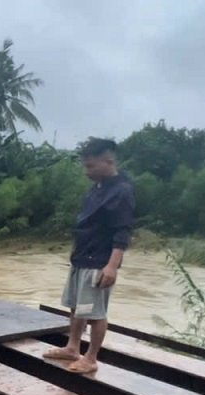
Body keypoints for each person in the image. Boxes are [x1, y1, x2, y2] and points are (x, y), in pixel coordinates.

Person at [43, 138, 135, 374]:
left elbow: (122, 232)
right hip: (82, 258)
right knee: (76, 307)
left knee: (94, 313)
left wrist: (112, 266)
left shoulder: (121, 191)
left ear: (109, 160)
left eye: (91, 166)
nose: (87, 171)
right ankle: (73, 347)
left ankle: (91, 357)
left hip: (99, 262)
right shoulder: (97, 188)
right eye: (85, 166)